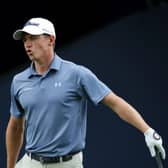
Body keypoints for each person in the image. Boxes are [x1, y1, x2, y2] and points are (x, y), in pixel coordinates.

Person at [6, 17, 166, 168]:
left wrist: (147, 130)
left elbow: (115, 103)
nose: (27, 44)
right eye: (25, 40)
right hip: (30, 163)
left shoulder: (77, 74)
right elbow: (15, 127)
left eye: (33, 38)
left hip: (67, 164)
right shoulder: (19, 81)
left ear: (50, 40)